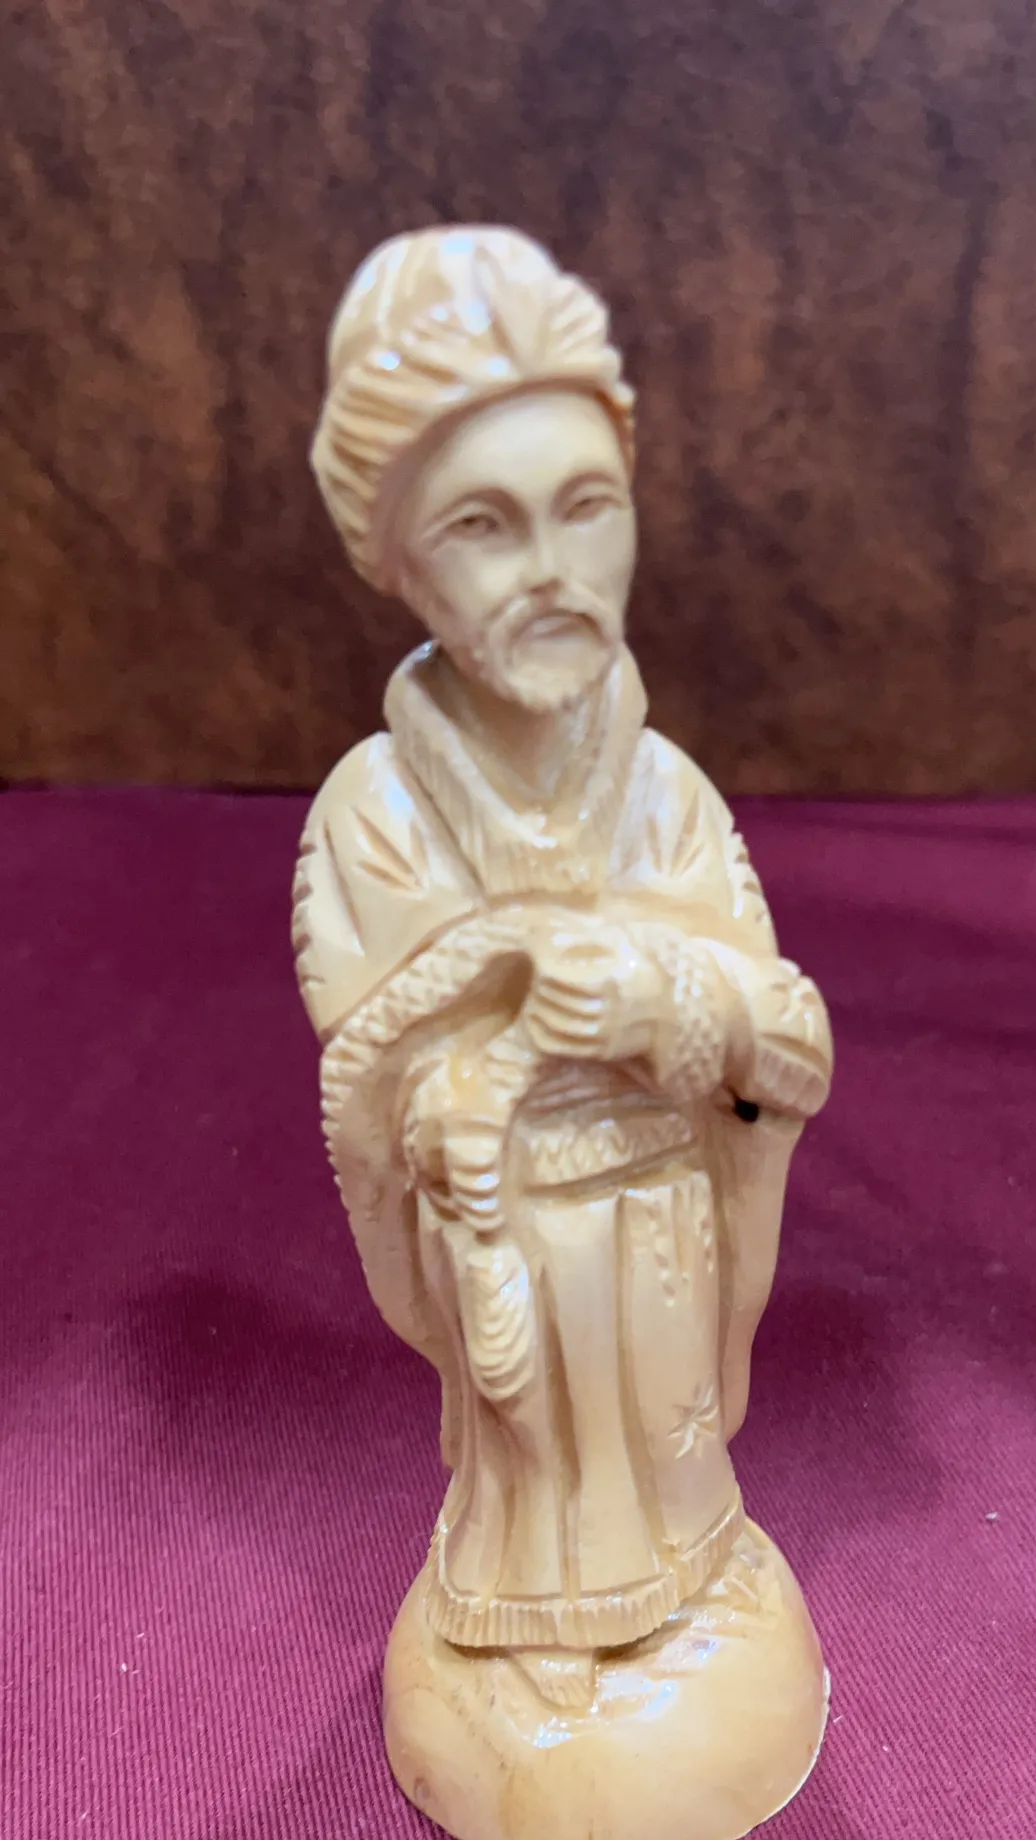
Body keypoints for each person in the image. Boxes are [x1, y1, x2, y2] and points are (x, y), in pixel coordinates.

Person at [296, 226, 832, 1710]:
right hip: (508, 1248)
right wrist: (477, 1067)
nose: (551, 571)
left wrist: (666, 1003)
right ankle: (527, 1627)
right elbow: (364, 1081)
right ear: (395, 556)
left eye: (586, 508)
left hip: (662, 1229)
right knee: (539, 1489)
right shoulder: (372, 823)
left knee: (665, 1458)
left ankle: (685, 1586)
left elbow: (791, 1043)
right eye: (483, 525)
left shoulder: (666, 799)